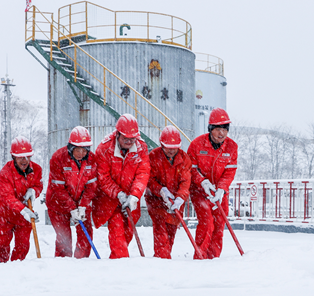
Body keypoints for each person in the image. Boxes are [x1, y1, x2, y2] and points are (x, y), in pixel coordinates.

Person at [92, 114, 150, 259]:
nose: (130, 142)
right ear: (117, 134)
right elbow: (103, 177)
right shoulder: (104, 149)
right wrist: (118, 194)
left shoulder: (141, 148)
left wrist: (134, 196)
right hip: (110, 201)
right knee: (117, 234)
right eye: (126, 139)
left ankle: (116, 262)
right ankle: (120, 267)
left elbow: (143, 173)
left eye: (133, 138)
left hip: (131, 201)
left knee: (127, 234)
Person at [187, 108, 238, 259]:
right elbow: (190, 168)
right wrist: (202, 182)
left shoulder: (231, 147)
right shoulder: (197, 144)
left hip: (220, 192)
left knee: (219, 223)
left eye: (224, 129)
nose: (221, 133)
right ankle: (201, 256)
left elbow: (229, 172)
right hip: (200, 191)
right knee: (207, 222)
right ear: (210, 129)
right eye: (218, 129)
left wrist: (222, 189)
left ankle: (214, 258)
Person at [46, 126, 98, 258]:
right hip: (58, 204)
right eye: (78, 149)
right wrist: (71, 208)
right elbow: (58, 188)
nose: (81, 153)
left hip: (81, 204)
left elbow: (91, 186)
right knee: (64, 240)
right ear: (70, 147)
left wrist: (82, 206)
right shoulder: (58, 158)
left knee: (85, 235)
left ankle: (82, 262)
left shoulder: (92, 159)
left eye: (84, 149)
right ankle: (64, 266)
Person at [0, 137, 43, 263]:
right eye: (20, 157)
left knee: (23, 246)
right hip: (5, 212)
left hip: (24, 215)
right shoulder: (5, 172)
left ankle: (17, 267)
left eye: (27, 156)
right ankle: (3, 266)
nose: (24, 160)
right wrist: (23, 210)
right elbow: (7, 196)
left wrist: (34, 191)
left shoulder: (37, 170)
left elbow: (38, 185)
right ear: (14, 157)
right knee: (0, 244)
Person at [144, 126, 191, 259]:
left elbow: (185, 182)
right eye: (168, 147)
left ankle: (164, 259)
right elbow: (149, 179)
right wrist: (161, 190)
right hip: (156, 201)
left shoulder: (184, 159)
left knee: (170, 233)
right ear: (161, 145)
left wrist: (180, 198)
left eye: (174, 147)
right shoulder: (153, 156)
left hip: (176, 202)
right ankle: (162, 259)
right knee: (161, 231)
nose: (171, 150)